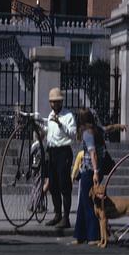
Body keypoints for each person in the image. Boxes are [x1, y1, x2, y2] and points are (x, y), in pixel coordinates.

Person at [71, 108, 106, 245]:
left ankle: (92, 236)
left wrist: (95, 172)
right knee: (83, 203)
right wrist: (119, 127)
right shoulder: (97, 130)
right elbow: (107, 129)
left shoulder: (87, 133)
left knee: (89, 204)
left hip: (90, 171)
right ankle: (80, 235)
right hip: (94, 170)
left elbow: (93, 154)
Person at [44, 87, 77, 229]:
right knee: (53, 185)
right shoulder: (50, 115)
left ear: (61, 102)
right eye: (52, 102)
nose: (54, 105)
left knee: (65, 185)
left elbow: (72, 134)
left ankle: (66, 217)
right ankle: (57, 214)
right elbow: (49, 132)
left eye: (57, 102)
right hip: (52, 151)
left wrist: (60, 124)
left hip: (63, 151)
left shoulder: (68, 115)